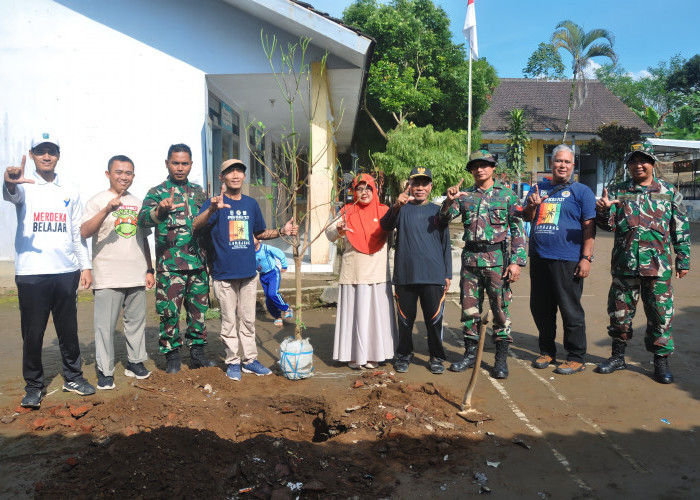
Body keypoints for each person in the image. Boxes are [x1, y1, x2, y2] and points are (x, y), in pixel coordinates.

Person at [3, 133, 95, 408]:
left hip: (66, 272)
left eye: (51, 151)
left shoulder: (70, 190)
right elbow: (11, 194)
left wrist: (85, 266)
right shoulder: (24, 185)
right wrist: (9, 182)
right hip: (32, 273)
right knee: (33, 333)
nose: (46, 156)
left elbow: (77, 232)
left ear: (58, 156)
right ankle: (33, 386)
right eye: (40, 151)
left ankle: (74, 377)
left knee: (69, 330)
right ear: (31, 155)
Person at [193, 159, 297, 381]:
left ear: (243, 176)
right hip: (223, 273)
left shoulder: (250, 204)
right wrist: (212, 207)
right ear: (222, 177)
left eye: (239, 171)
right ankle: (233, 361)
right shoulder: (214, 203)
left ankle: (250, 360)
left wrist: (282, 230)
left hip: (249, 273)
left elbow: (259, 233)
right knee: (229, 321)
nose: (236, 175)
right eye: (230, 171)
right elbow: (195, 225)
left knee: (248, 320)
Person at [594, 142, 690, 384]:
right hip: (625, 265)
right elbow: (608, 226)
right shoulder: (617, 191)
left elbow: (680, 227)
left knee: (660, 315)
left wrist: (682, 258)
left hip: (658, 267)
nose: (639, 165)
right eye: (633, 161)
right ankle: (617, 357)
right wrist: (604, 211)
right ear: (628, 165)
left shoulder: (669, 192)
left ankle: (660, 362)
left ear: (653, 163)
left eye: (643, 160)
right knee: (619, 313)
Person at [440, 151, 527, 379]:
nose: (480, 169)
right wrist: (449, 200)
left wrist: (517, 262)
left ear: (493, 168)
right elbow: (443, 219)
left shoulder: (507, 196)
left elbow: (518, 230)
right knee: (469, 310)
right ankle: (469, 354)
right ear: (471, 170)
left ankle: (500, 359)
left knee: (499, 310)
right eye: (475, 166)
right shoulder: (465, 195)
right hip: (470, 261)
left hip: (497, 261)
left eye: (485, 165)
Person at [137, 144, 216, 374]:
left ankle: (197, 354)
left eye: (185, 163)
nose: (180, 168)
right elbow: (142, 220)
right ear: (167, 164)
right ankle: (172, 356)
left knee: (198, 311)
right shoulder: (157, 192)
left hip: (198, 265)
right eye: (175, 163)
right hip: (170, 266)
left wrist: (210, 260)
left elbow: (207, 228)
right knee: (169, 313)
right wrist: (160, 211)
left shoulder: (199, 192)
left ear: (190, 164)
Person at [80, 155, 155, 389]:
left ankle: (135, 362)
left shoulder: (138, 202)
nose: (124, 176)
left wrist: (150, 269)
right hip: (107, 275)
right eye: (119, 172)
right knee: (105, 326)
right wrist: (106, 210)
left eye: (128, 173)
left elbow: (143, 239)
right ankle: (105, 370)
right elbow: (84, 232)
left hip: (136, 272)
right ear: (108, 174)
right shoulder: (96, 201)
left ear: (133, 176)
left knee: (136, 322)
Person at [522, 144, 596, 375]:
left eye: (566, 162)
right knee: (541, 308)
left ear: (573, 165)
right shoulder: (538, 188)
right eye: (557, 161)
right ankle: (547, 351)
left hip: (568, 260)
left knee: (570, 310)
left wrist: (586, 258)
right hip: (540, 257)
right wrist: (532, 206)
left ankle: (576, 356)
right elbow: (527, 217)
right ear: (551, 164)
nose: (562, 165)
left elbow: (589, 228)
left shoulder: (582, 191)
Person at [380, 167, 451, 374]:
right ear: (409, 186)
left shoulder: (437, 211)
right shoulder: (401, 208)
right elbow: (385, 226)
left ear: (430, 187)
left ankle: (437, 356)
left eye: (424, 184)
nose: (420, 188)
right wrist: (395, 206)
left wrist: (447, 273)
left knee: (434, 320)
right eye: (416, 183)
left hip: (433, 274)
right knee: (405, 319)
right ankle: (404, 354)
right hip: (405, 275)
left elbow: (446, 243)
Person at [326, 173, 397, 370]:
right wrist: (339, 229)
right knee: (354, 315)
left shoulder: (385, 211)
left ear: (375, 190)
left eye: (368, 188)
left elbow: (391, 240)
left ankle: (375, 354)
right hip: (353, 272)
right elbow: (329, 234)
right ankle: (353, 355)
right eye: (359, 188)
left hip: (377, 271)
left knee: (375, 316)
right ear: (353, 191)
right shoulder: (347, 211)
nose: (364, 192)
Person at [254, 236, 293, 327]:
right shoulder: (250, 252)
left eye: (253, 238)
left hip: (273, 273)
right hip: (263, 276)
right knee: (268, 298)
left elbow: (279, 253)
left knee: (273, 294)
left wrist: (284, 265)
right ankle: (277, 316)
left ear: (259, 239)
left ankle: (287, 309)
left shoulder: (266, 248)